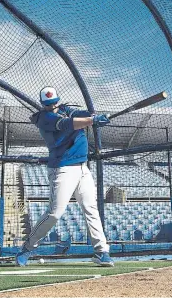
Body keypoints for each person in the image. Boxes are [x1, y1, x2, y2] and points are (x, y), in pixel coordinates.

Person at [15, 87, 113, 267]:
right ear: (44, 105)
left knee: (91, 208)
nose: (52, 107)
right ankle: (28, 247)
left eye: (54, 104)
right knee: (55, 213)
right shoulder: (45, 119)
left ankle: (101, 251)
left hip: (83, 168)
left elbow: (79, 113)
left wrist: (95, 116)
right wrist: (92, 120)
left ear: (58, 101)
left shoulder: (66, 109)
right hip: (63, 169)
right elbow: (67, 124)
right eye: (48, 105)